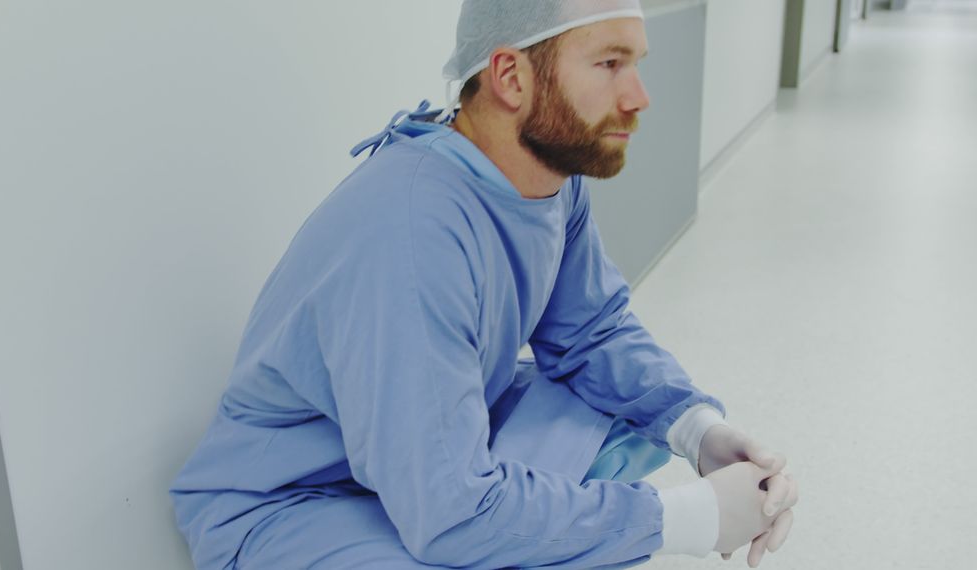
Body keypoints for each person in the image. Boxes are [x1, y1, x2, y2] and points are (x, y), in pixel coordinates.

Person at [170, 1, 798, 568]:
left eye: (635, 63)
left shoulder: (551, 176)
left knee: (610, 406)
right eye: (609, 63)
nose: (638, 96)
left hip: (408, 469)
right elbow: (449, 509)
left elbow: (592, 330)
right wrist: (690, 518)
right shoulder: (412, 232)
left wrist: (699, 432)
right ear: (510, 77)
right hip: (292, 505)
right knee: (491, 527)